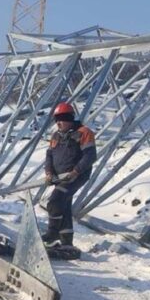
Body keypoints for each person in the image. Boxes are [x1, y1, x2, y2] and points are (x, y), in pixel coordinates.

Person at [42, 102, 97, 260]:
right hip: (60, 177)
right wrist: (49, 172)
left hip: (76, 176)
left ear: (70, 119)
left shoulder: (83, 132)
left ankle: (52, 233)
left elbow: (90, 156)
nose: (59, 123)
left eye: (62, 119)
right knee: (64, 205)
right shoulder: (56, 136)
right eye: (56, 120)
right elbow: (49, 156)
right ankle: (66, 241)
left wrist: (76, 171)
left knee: (55, 201)